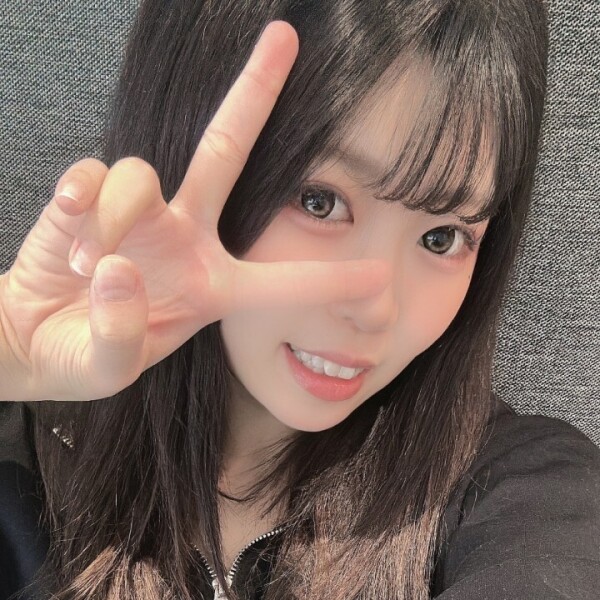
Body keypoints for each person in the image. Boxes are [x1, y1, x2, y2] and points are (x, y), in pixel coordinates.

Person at [0, 0, 598, 599]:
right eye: (319, 201)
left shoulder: (524, 489)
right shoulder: (19, 453)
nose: (376, 310)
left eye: (441, 238)